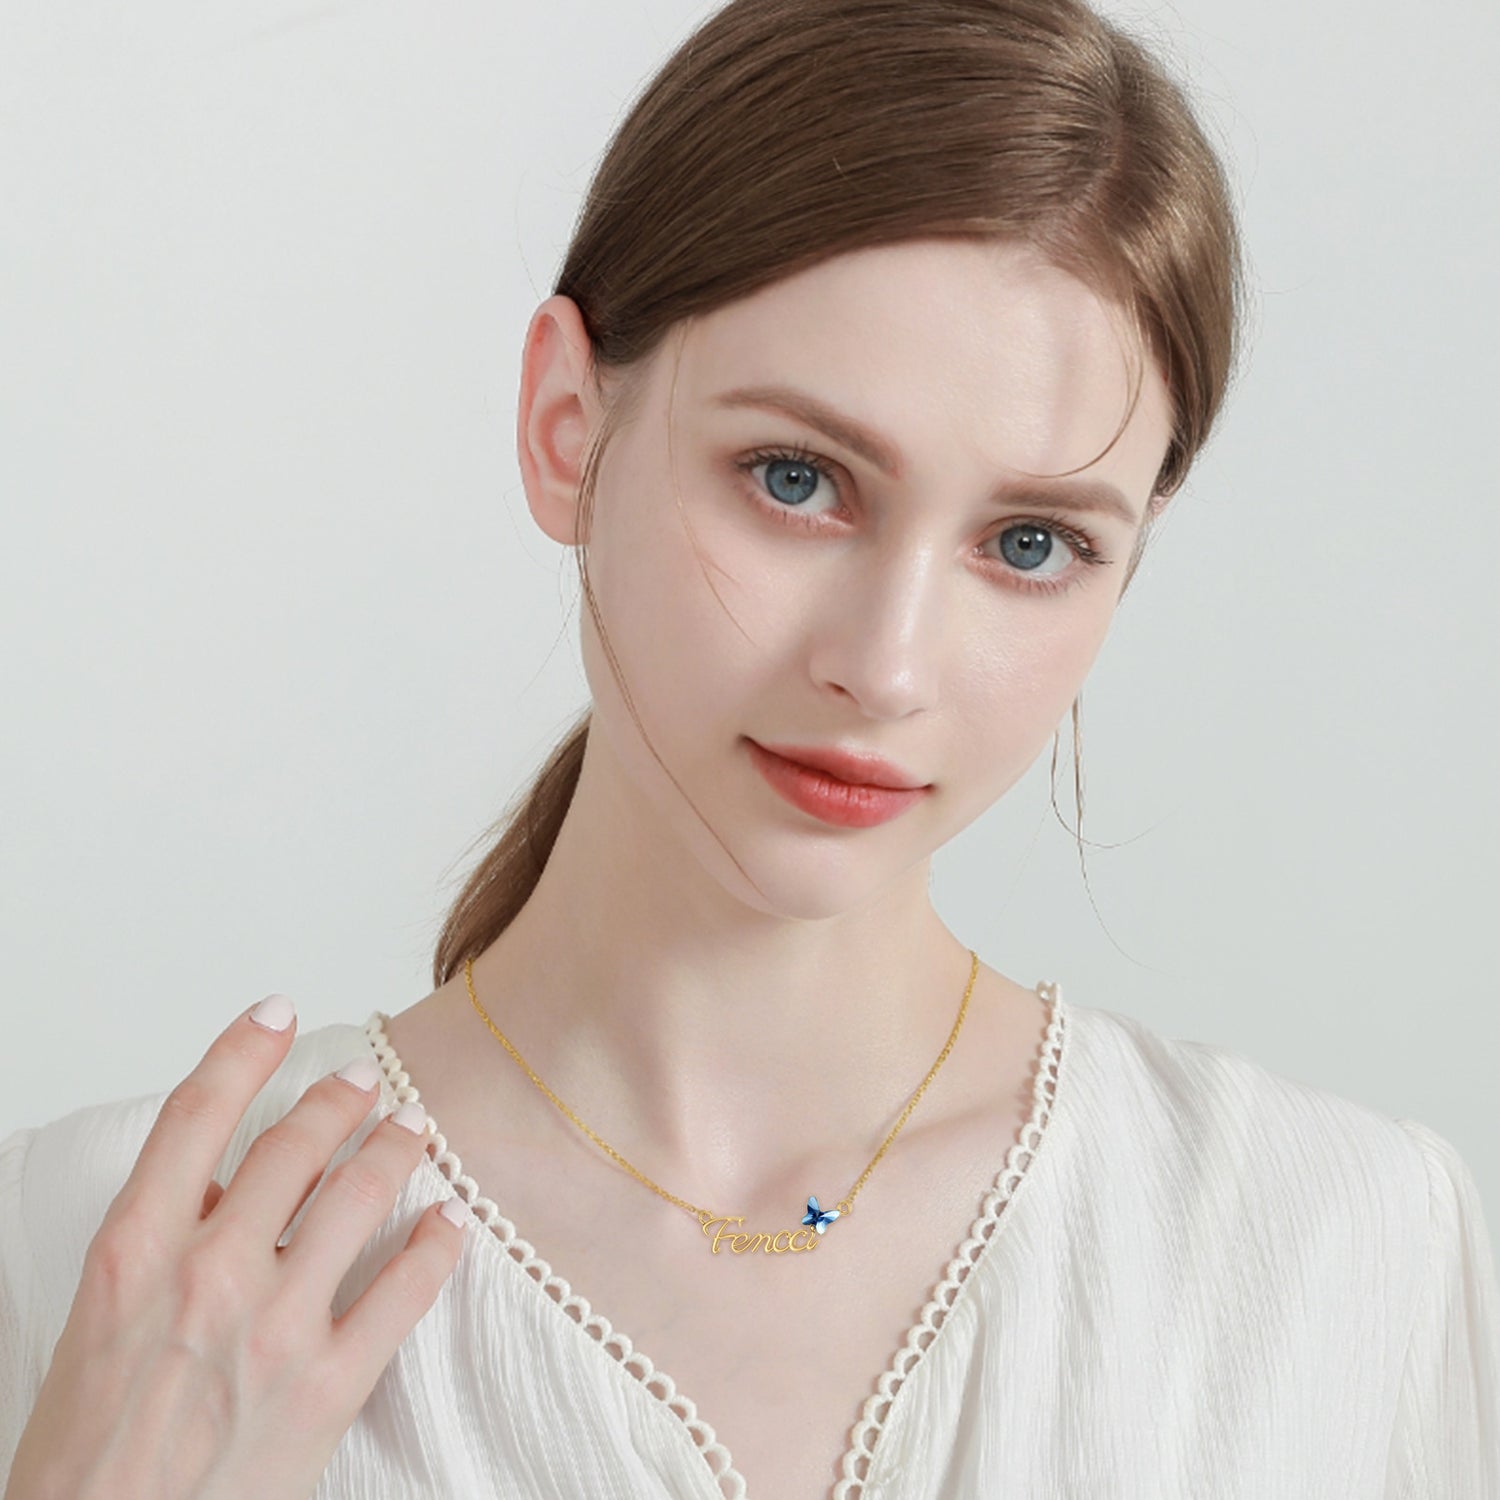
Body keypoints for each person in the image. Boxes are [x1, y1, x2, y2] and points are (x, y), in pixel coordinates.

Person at [3, 0, 1498, 1494]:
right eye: (796, 479)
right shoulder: (103, 1249)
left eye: (1032, 543)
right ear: (566, 425)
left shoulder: (1341, 1249)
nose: (885, 668)